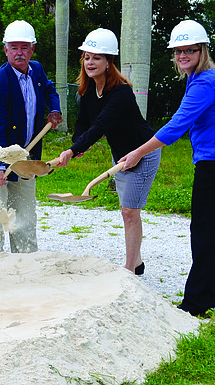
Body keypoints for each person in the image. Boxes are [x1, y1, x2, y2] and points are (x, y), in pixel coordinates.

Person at [120, 20, 215, 317]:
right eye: (178, 51)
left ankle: (196, 302)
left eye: (189, 50)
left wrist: (137, 152)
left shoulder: (205, 82)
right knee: (214, 225)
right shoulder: (201, 77)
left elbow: (177, 126)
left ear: (202, 51)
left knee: (203, 227)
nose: (183, 56)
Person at [55, 29, 160, 274]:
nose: (90, 63)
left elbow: (102, 124)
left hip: (142, 153)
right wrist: (78, 143)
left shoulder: (121, 92)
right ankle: (137, 262)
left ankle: (128, 270)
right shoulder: (87, 91)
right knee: (128, 211)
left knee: (129, 211)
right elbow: (83, 122)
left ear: (109, 62)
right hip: (121, 156)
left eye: (97, 58)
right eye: (87, 57)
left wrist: (72, 151)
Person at [0, 20, 61, 253]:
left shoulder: (38, 71)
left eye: (24, 47)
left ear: (32, 49)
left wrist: (54, 109)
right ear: (5, 50)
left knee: (24, 214)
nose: (19, 53)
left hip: (26, 157)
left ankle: (25, 261)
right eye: (14, 47)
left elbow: (49, 89)